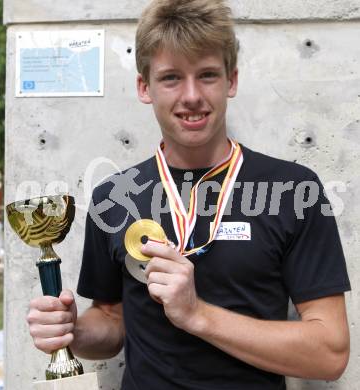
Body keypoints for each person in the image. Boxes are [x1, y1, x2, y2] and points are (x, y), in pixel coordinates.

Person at [26, 1, 351, 389]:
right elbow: (112, 322)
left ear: (231, 81)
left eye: (208, 75)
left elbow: (330, 353)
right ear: (144, 87)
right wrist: (73, 332)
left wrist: (197, 315)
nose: (192, 95)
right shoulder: (113, 197)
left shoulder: (295, 190)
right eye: (171, 78)